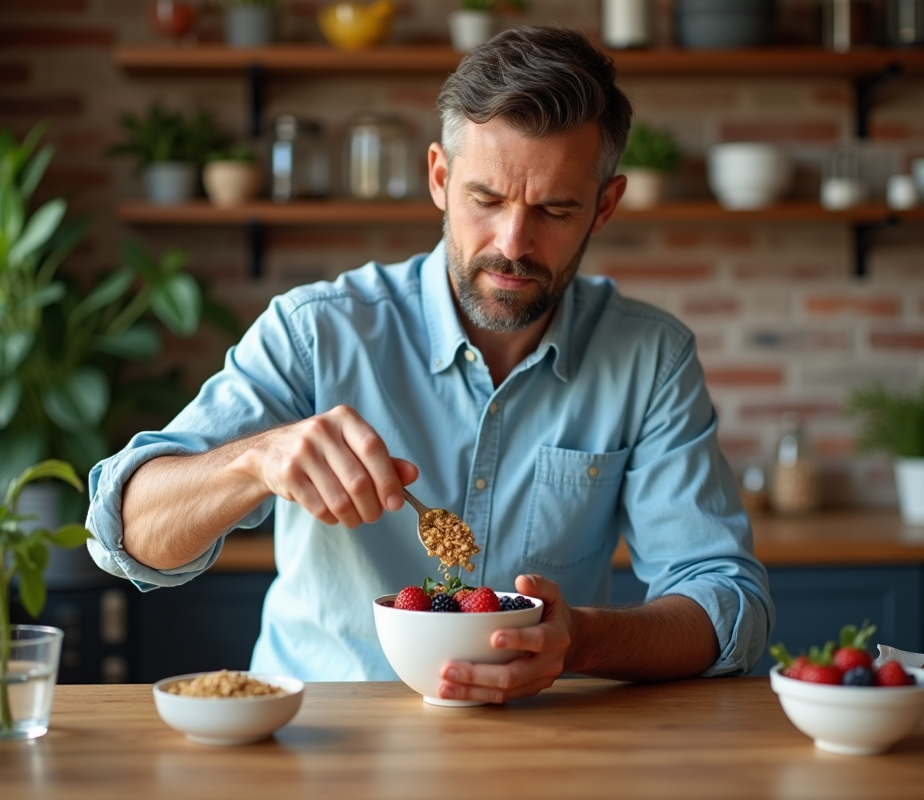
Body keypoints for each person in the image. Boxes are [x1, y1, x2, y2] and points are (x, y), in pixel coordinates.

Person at [86, 25, 773, 703]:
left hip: (544, 742)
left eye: (555, 210)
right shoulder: (316, 331)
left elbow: (728, 604)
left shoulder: (650, 359)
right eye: (487, 199)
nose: (512, 242)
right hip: (321, 740)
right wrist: (256, 461)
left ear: (604, 207)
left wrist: (579, 641)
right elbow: (126, 535)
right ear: (440, 178)